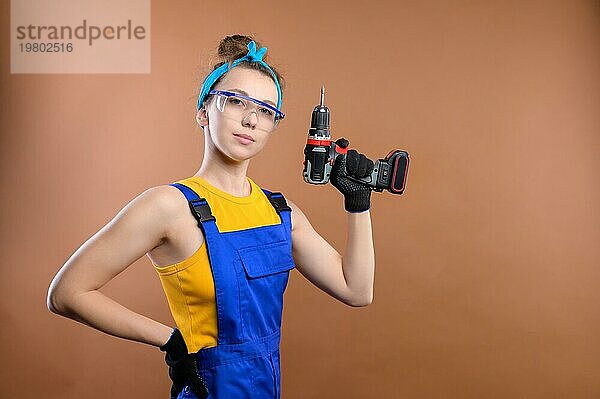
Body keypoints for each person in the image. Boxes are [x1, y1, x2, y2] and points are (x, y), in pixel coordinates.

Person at [47, 34, 376, 399]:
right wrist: (170, 340)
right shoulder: (169, 206)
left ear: (273, 125)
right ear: (204, 111)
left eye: (266, 110)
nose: (251, 120)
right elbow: (66, 294)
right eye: (236, 101)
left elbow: (357, 290)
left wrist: (359, 203)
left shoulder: (282, 213)